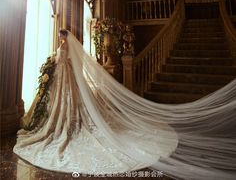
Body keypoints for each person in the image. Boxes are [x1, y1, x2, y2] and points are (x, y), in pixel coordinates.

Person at [14, 30, 236, 179]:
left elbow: (61, 61)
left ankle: (66, 126)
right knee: (68, 105)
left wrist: (51, 62)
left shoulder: (63, 49)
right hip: (66, 80)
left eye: (61, 35)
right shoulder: (69, 48)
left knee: (68, 106)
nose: (61, 38)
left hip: (63, 78)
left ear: (63, 37)